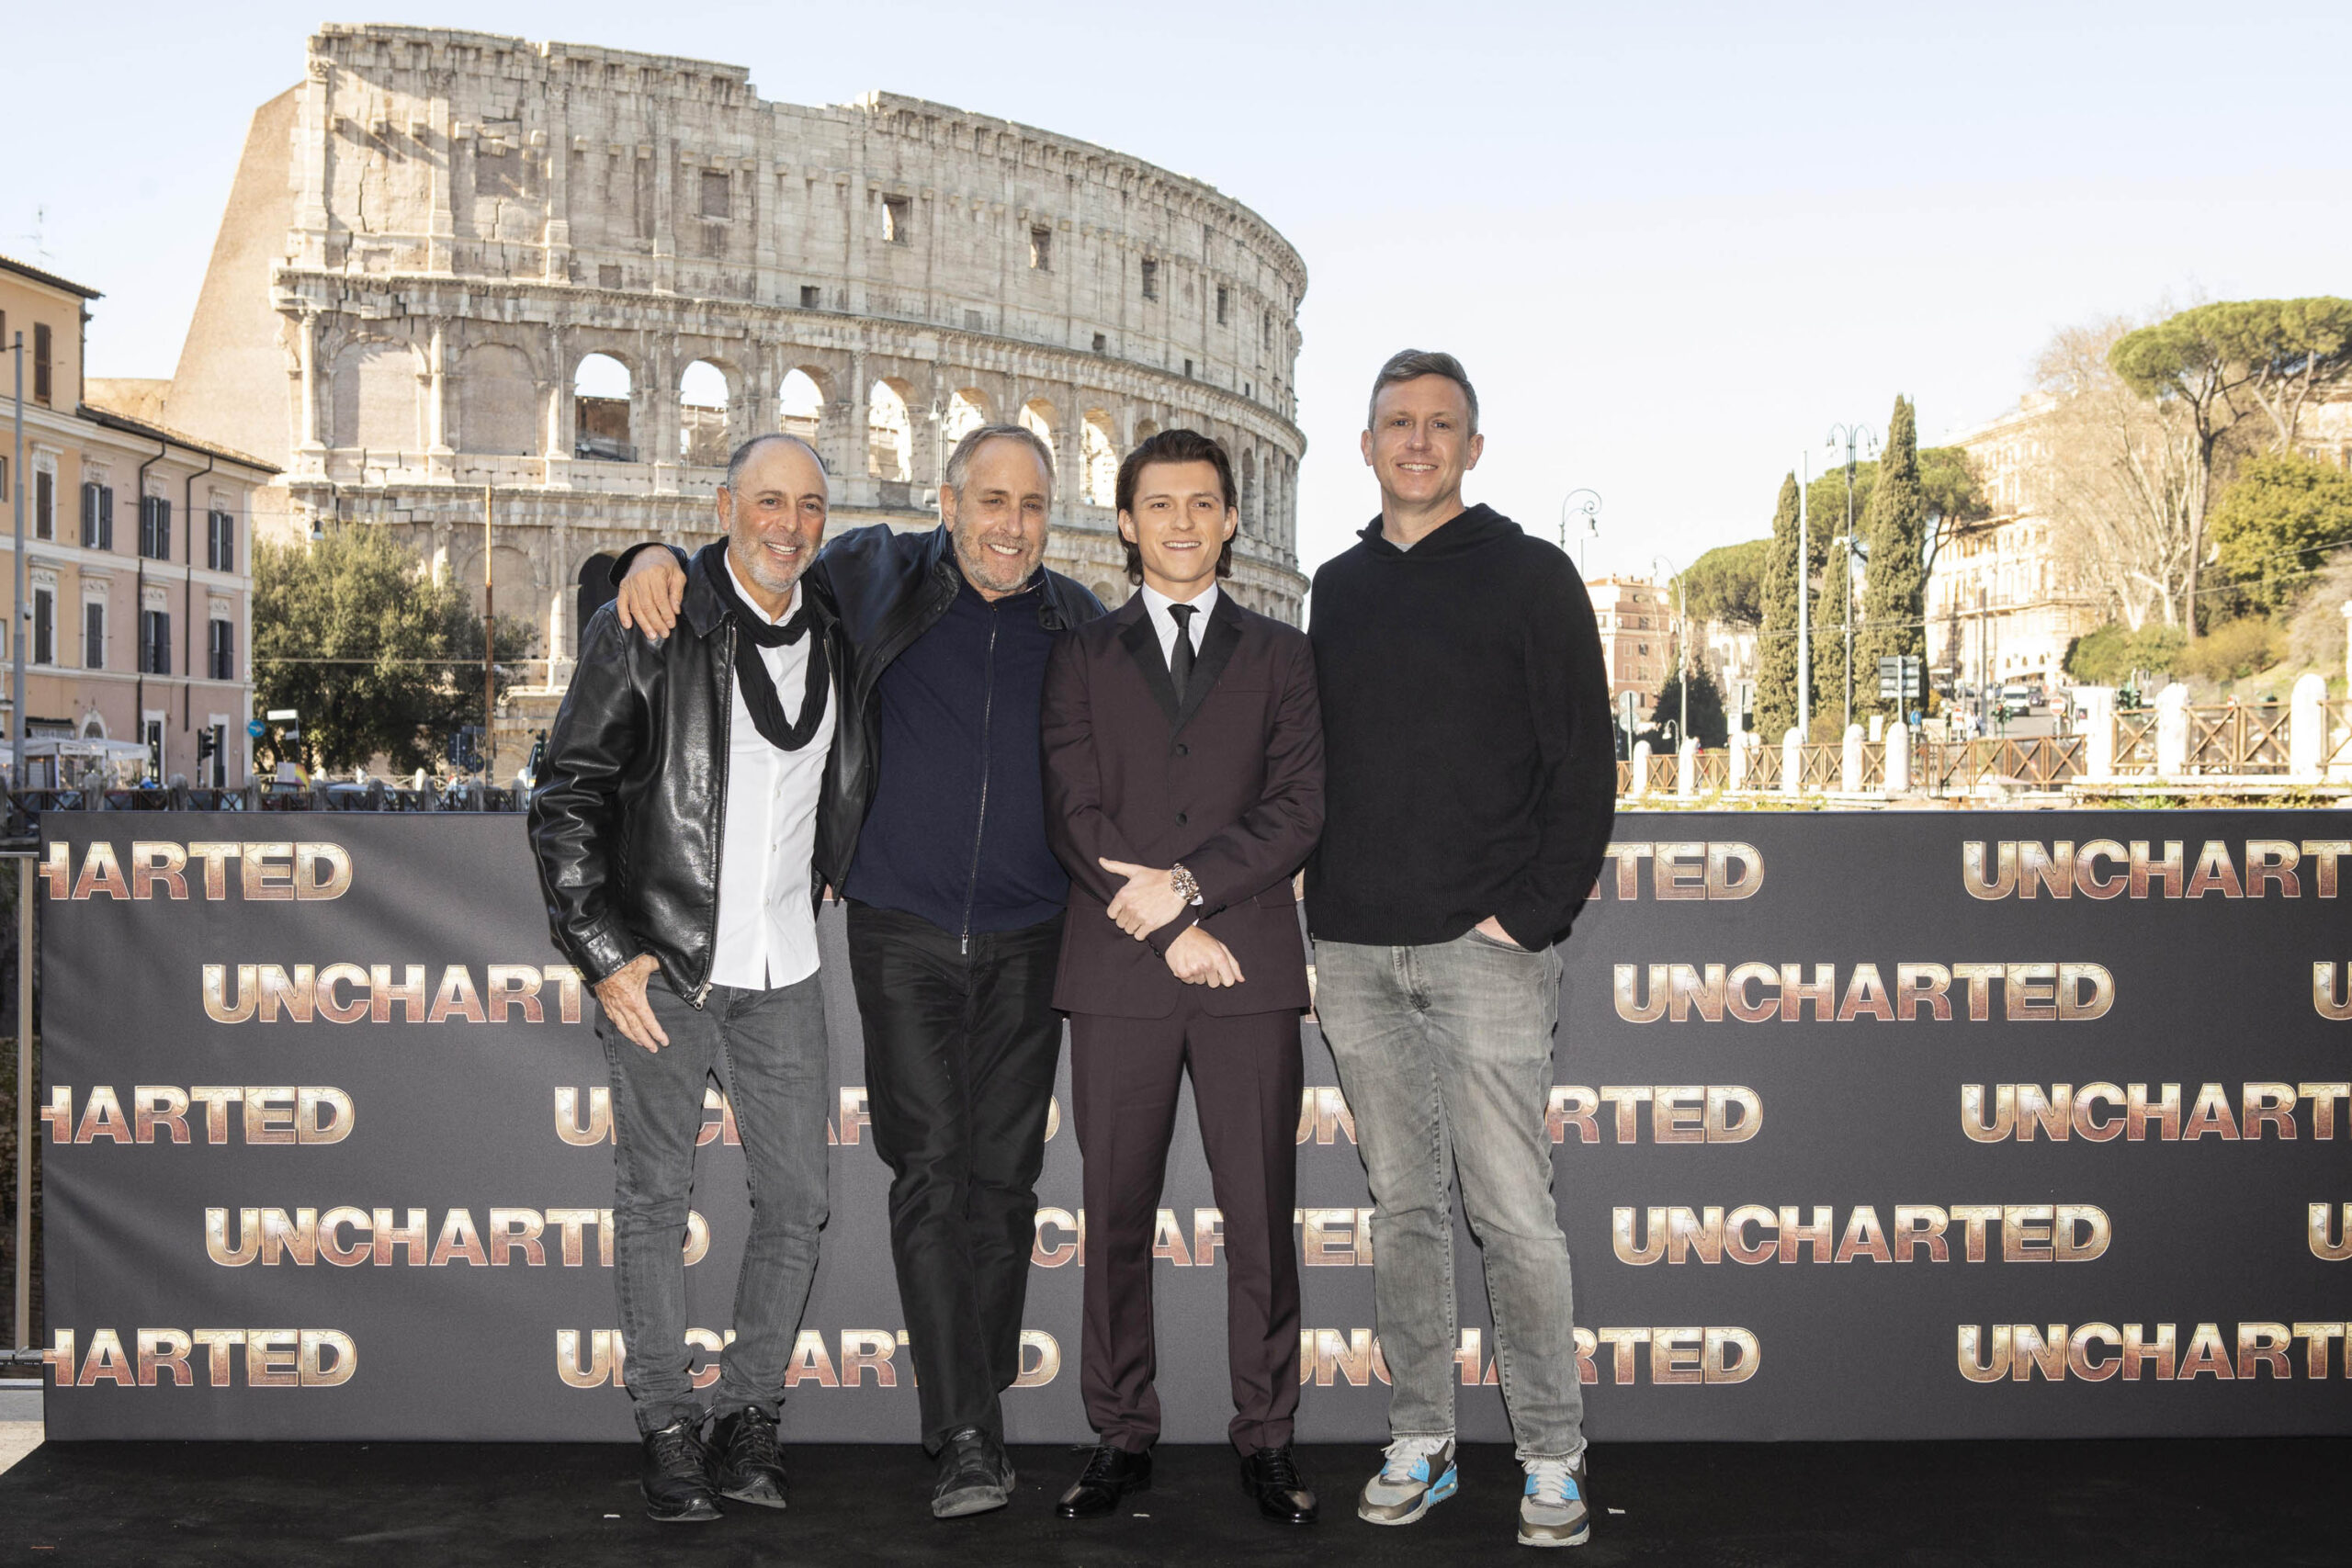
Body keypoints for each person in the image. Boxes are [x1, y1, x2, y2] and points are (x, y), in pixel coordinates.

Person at [611, 425, 1104, 1517]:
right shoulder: (873, 574)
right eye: (989, 500)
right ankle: (966, 1435)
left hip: (1030, 935)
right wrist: (645, 553)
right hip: (899, 932)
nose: (1009, 526)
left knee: (1004, 1190)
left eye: (1030, 505)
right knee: (928, 1176)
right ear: (946, 500)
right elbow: (744, 558)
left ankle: (947, 1414)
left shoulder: (1079, 620)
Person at [1306, 350, 1615, 1549]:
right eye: (1398, 423)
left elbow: (1583, 767)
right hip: (1356, 955)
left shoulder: (1534, 575)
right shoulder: (1335, 584)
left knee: (1515, 1216)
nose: (1419, 441)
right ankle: (1422, 1437)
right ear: (1368, 442)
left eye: (1442, 425)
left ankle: (1551, 1452)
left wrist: (1523, 916)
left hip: (1487, 953)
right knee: (1407, 1212)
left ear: (1474, 447)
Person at [529, 434, 842, 1523]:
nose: (787, 523)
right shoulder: (649, 625)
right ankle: (665, 1424)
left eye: (807, 505)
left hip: (786, 969)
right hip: (664, 968)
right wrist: (607, 955)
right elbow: (564, 796)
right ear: (724, 505)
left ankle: (750, 1413)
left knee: (799, 1202)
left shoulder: (837, 630)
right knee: (654, 1204)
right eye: (766, 500)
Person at [1038, 429, 1325, 1527]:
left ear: (1232, 519)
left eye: (1203, 503)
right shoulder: (1078, 655)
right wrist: (1165, 931)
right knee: (1112, 1214)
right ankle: (1120, 1432)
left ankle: (1266, 1436)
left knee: (1260, 1213)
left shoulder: (1283, 657)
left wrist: (1191, 894)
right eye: (1158, 504)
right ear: (1124, 521)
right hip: (1118, 973)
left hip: (1246, 968)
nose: (1182, 523)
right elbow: (1074, 817)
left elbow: (1298, 810)